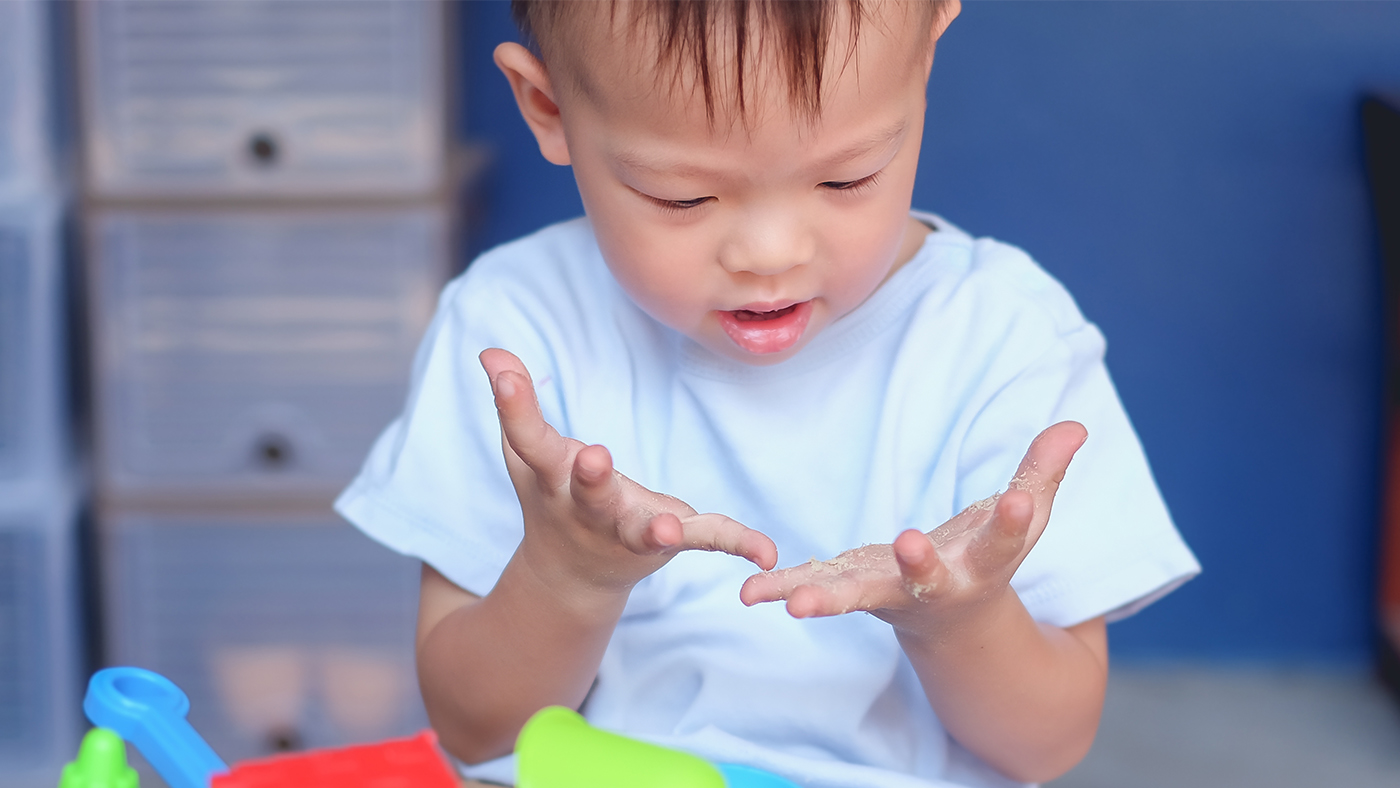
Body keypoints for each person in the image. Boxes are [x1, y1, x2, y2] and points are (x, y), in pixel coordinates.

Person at [335, 2, 1200, 786]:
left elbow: (1046, 745)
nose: (769, 252)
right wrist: (567, 577)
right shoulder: (519, 332)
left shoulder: (1005, 339)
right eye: (685, 195)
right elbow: (475, 727)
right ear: (549, 107)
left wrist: (961, 621)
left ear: (926, 57)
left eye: (845, 178)